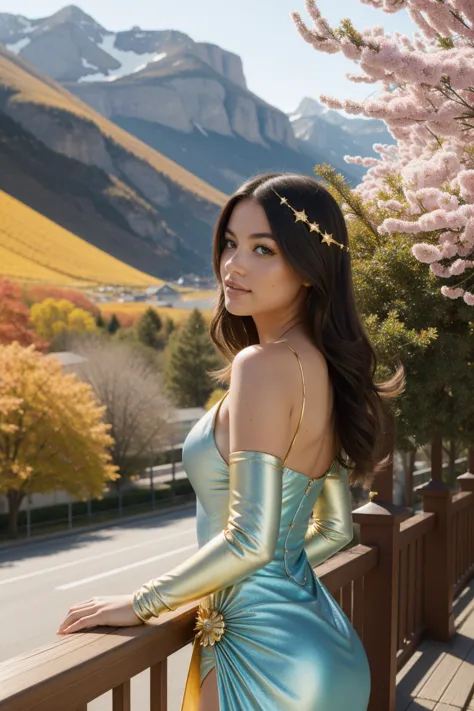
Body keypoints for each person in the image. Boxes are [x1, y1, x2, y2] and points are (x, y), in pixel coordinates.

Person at [57, 172, 405, 710]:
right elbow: (336, 529)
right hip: (326, 647)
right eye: (229, 242)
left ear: (310, 268)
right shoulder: (326, 369)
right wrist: (264, 580)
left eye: (262, 249)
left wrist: (142, 603)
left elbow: (250, 540)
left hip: (262, 654)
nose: (232, 265)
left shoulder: (262, 366)